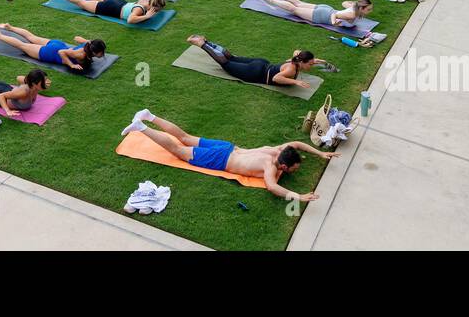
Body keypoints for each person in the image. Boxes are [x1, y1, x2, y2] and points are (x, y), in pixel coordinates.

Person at [120, 110, 333, 201]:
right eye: (294, 169)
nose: (296, 170)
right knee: (177, 151)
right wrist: (299, 196)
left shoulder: (276, 150)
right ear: (284, 167)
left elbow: (296, 144)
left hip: (229, 147)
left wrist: (320, 154)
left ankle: (150, 116)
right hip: (221, 160)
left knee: (185, 137)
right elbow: (273, 187)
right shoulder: (270, 167)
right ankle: (141, 127)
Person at [186, 36, 319, 90]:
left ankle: (207, 41)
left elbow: (297, 51)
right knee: (226, 63)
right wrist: (295, 82)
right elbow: (276, 78)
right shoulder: (291, 69)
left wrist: (316, 60)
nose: (311, 66)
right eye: (311, 64)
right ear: (302, 62)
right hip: (255, 73)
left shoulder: (295, 59)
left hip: (260, 63)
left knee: (231, 57)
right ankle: (202, 44)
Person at [0, 23, 107, 73]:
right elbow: (62, 53)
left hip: (58, 44)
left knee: (31, 37)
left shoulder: (88, 44)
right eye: (101, 53)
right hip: (51, 52)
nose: (102, 55)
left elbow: (76, 38)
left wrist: (85, 40)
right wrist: (71, 65)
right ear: (94, 51)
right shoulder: (81, 55)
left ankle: (11, 27)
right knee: (22, 46)